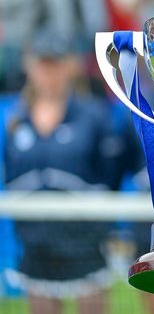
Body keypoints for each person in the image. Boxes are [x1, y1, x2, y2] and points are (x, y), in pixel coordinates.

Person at [1, 28, 136, 314]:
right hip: (35, 246)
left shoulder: (95, 116)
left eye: (56, 63)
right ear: (28, 64)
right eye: (42, 63)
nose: (48, 72)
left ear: (71, 65)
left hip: (85, 245)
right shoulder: (15, 120)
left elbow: (112, 174)